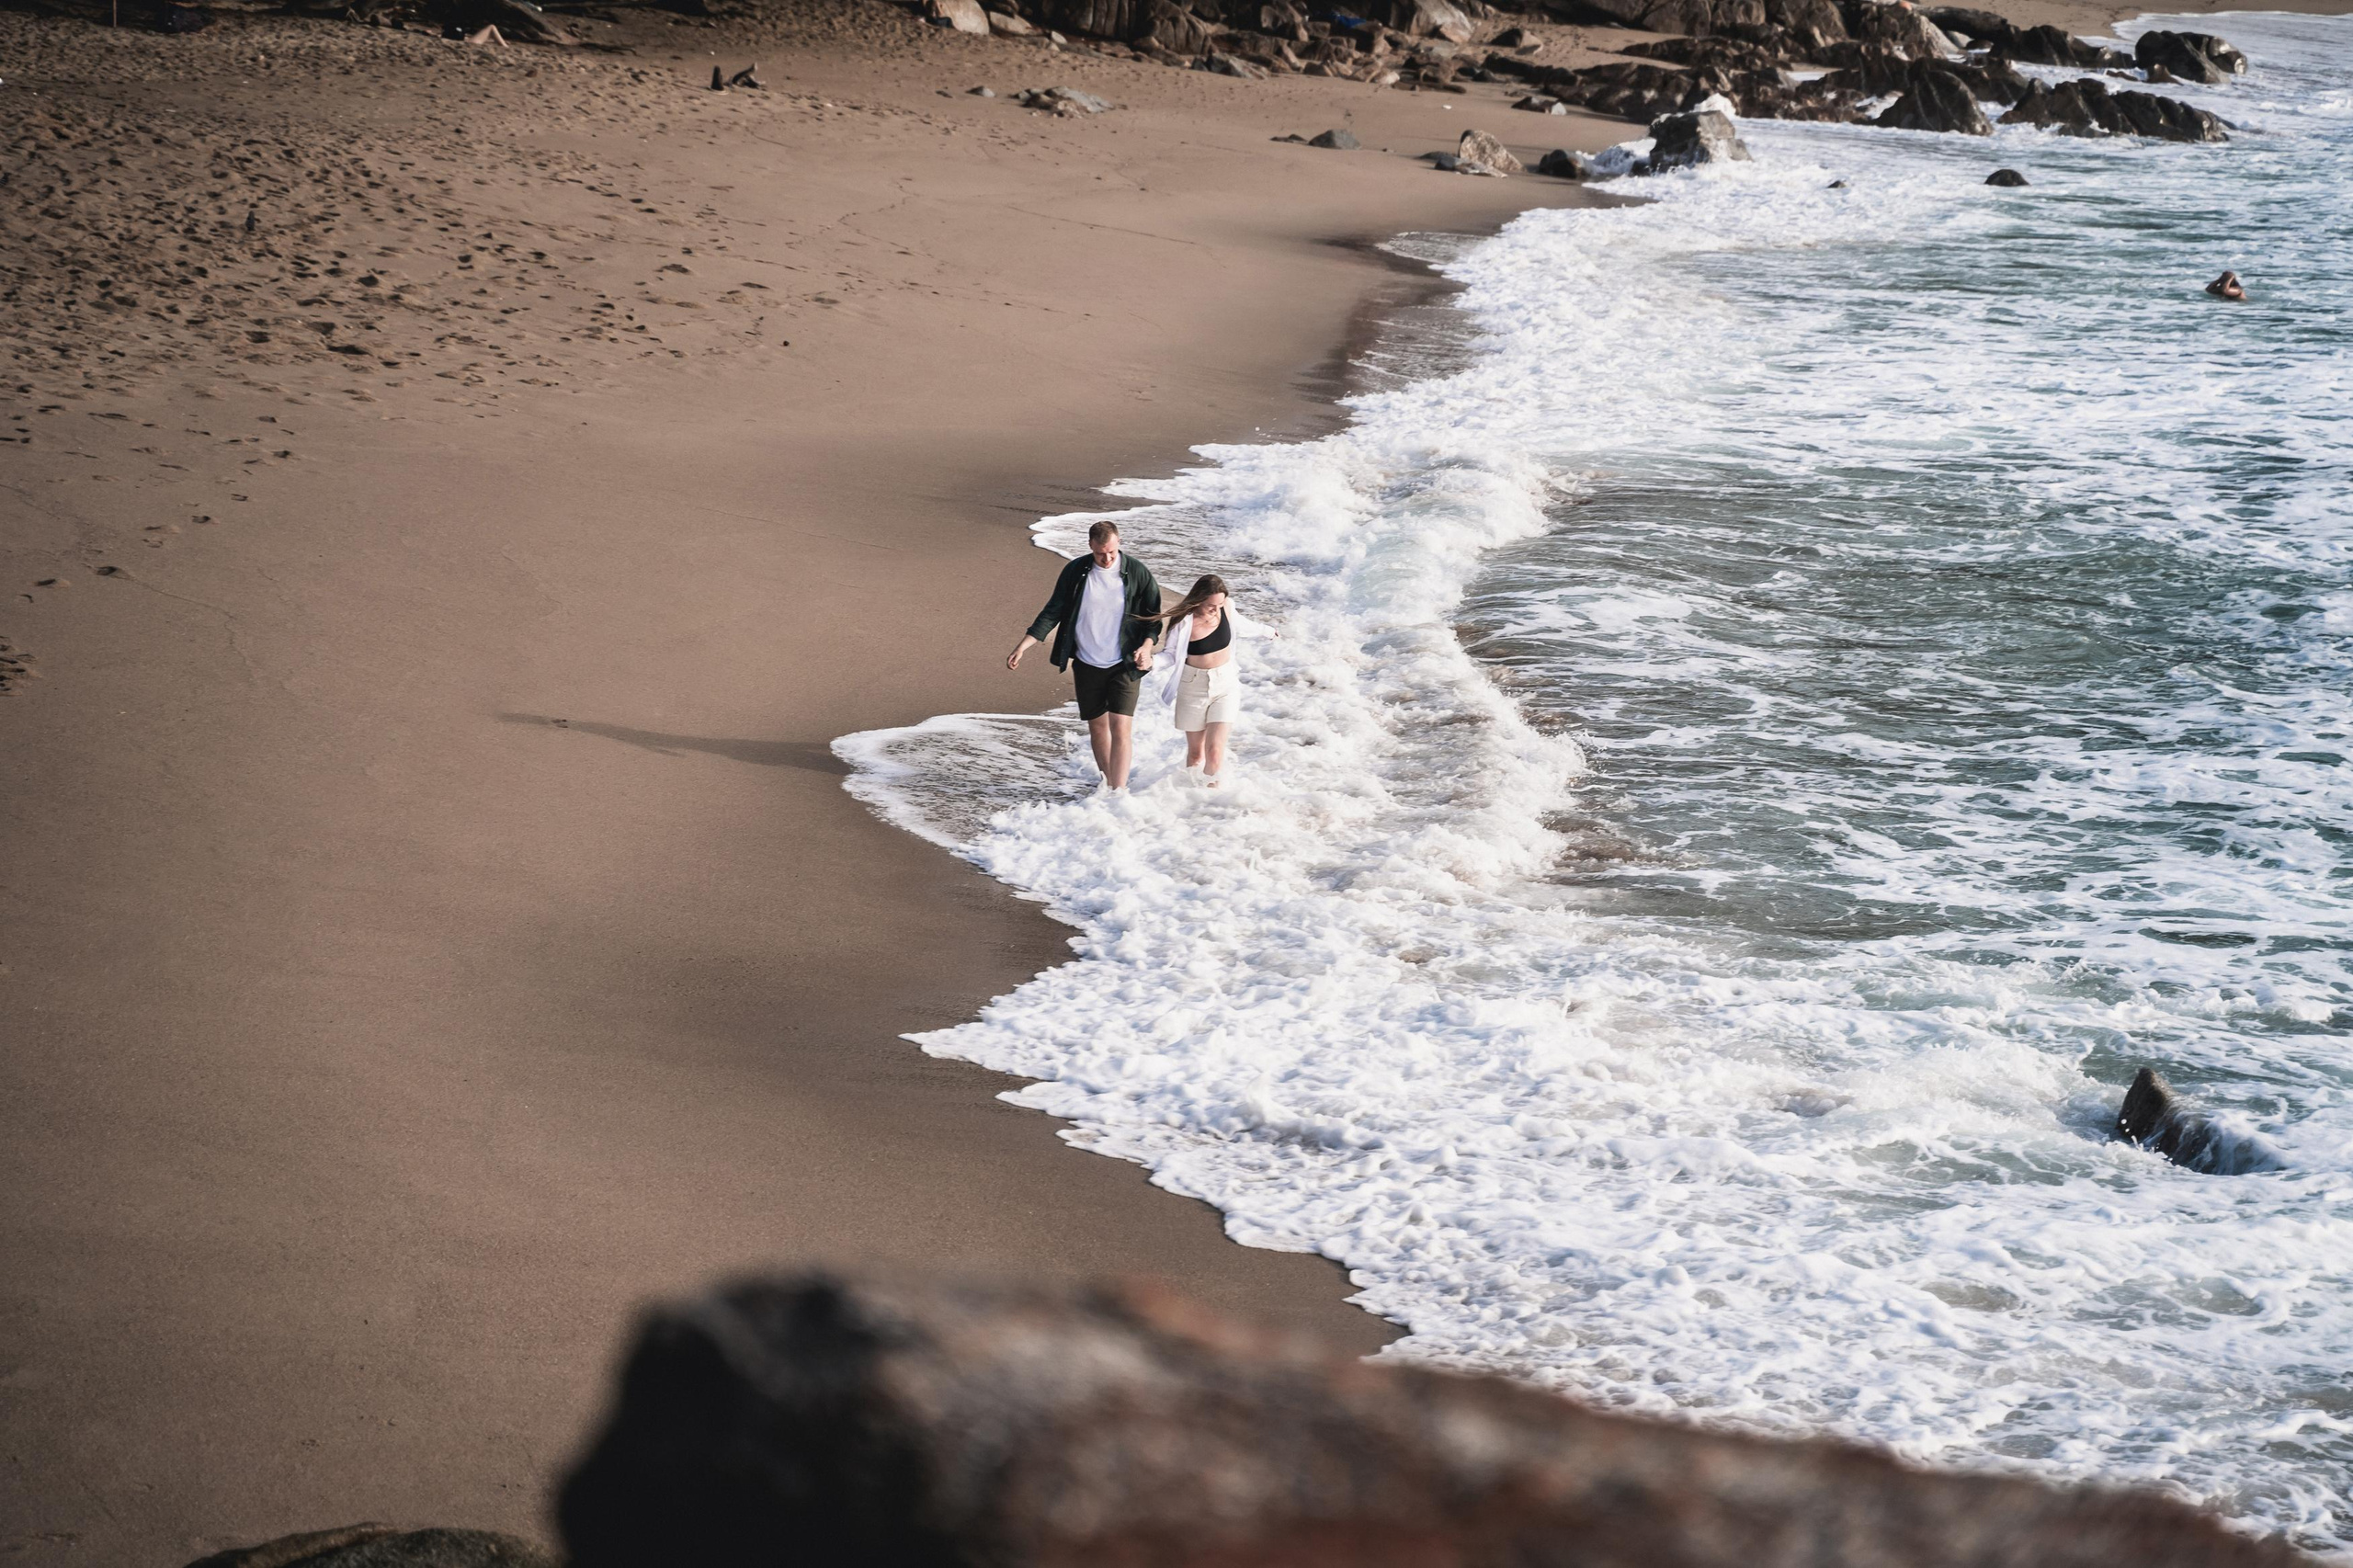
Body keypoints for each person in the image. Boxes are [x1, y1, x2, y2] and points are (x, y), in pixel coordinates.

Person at [1006, 519, 1161, 790]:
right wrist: (1024, 645)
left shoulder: (1137, 572)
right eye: (1101, 553)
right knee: (1098, 727)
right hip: (1087, 662)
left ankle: (1118, 791)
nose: (1107, 558)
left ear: (1119, 543)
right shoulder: (1076, 572)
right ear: (1090, 546)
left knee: (1121, 727)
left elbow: (1153, 618)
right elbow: (1053, 611)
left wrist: (1146, 647)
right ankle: (1109, 783)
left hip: (1124, 663)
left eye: (1112, 551)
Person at [1145, 574, 1274, 788]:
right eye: (1210, 606)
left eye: (1219, 604)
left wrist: (1268, 632)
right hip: (1192, 687)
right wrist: (1150, 662)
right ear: (1198, 600)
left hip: (1225, 685)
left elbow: (1243, 626)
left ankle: (1210, 800)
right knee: (1196, 756)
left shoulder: (1227, 608)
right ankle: (1191, 797)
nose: (1216, 610)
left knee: (1214, 751)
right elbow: (1170, 655)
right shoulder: (1184, 622)